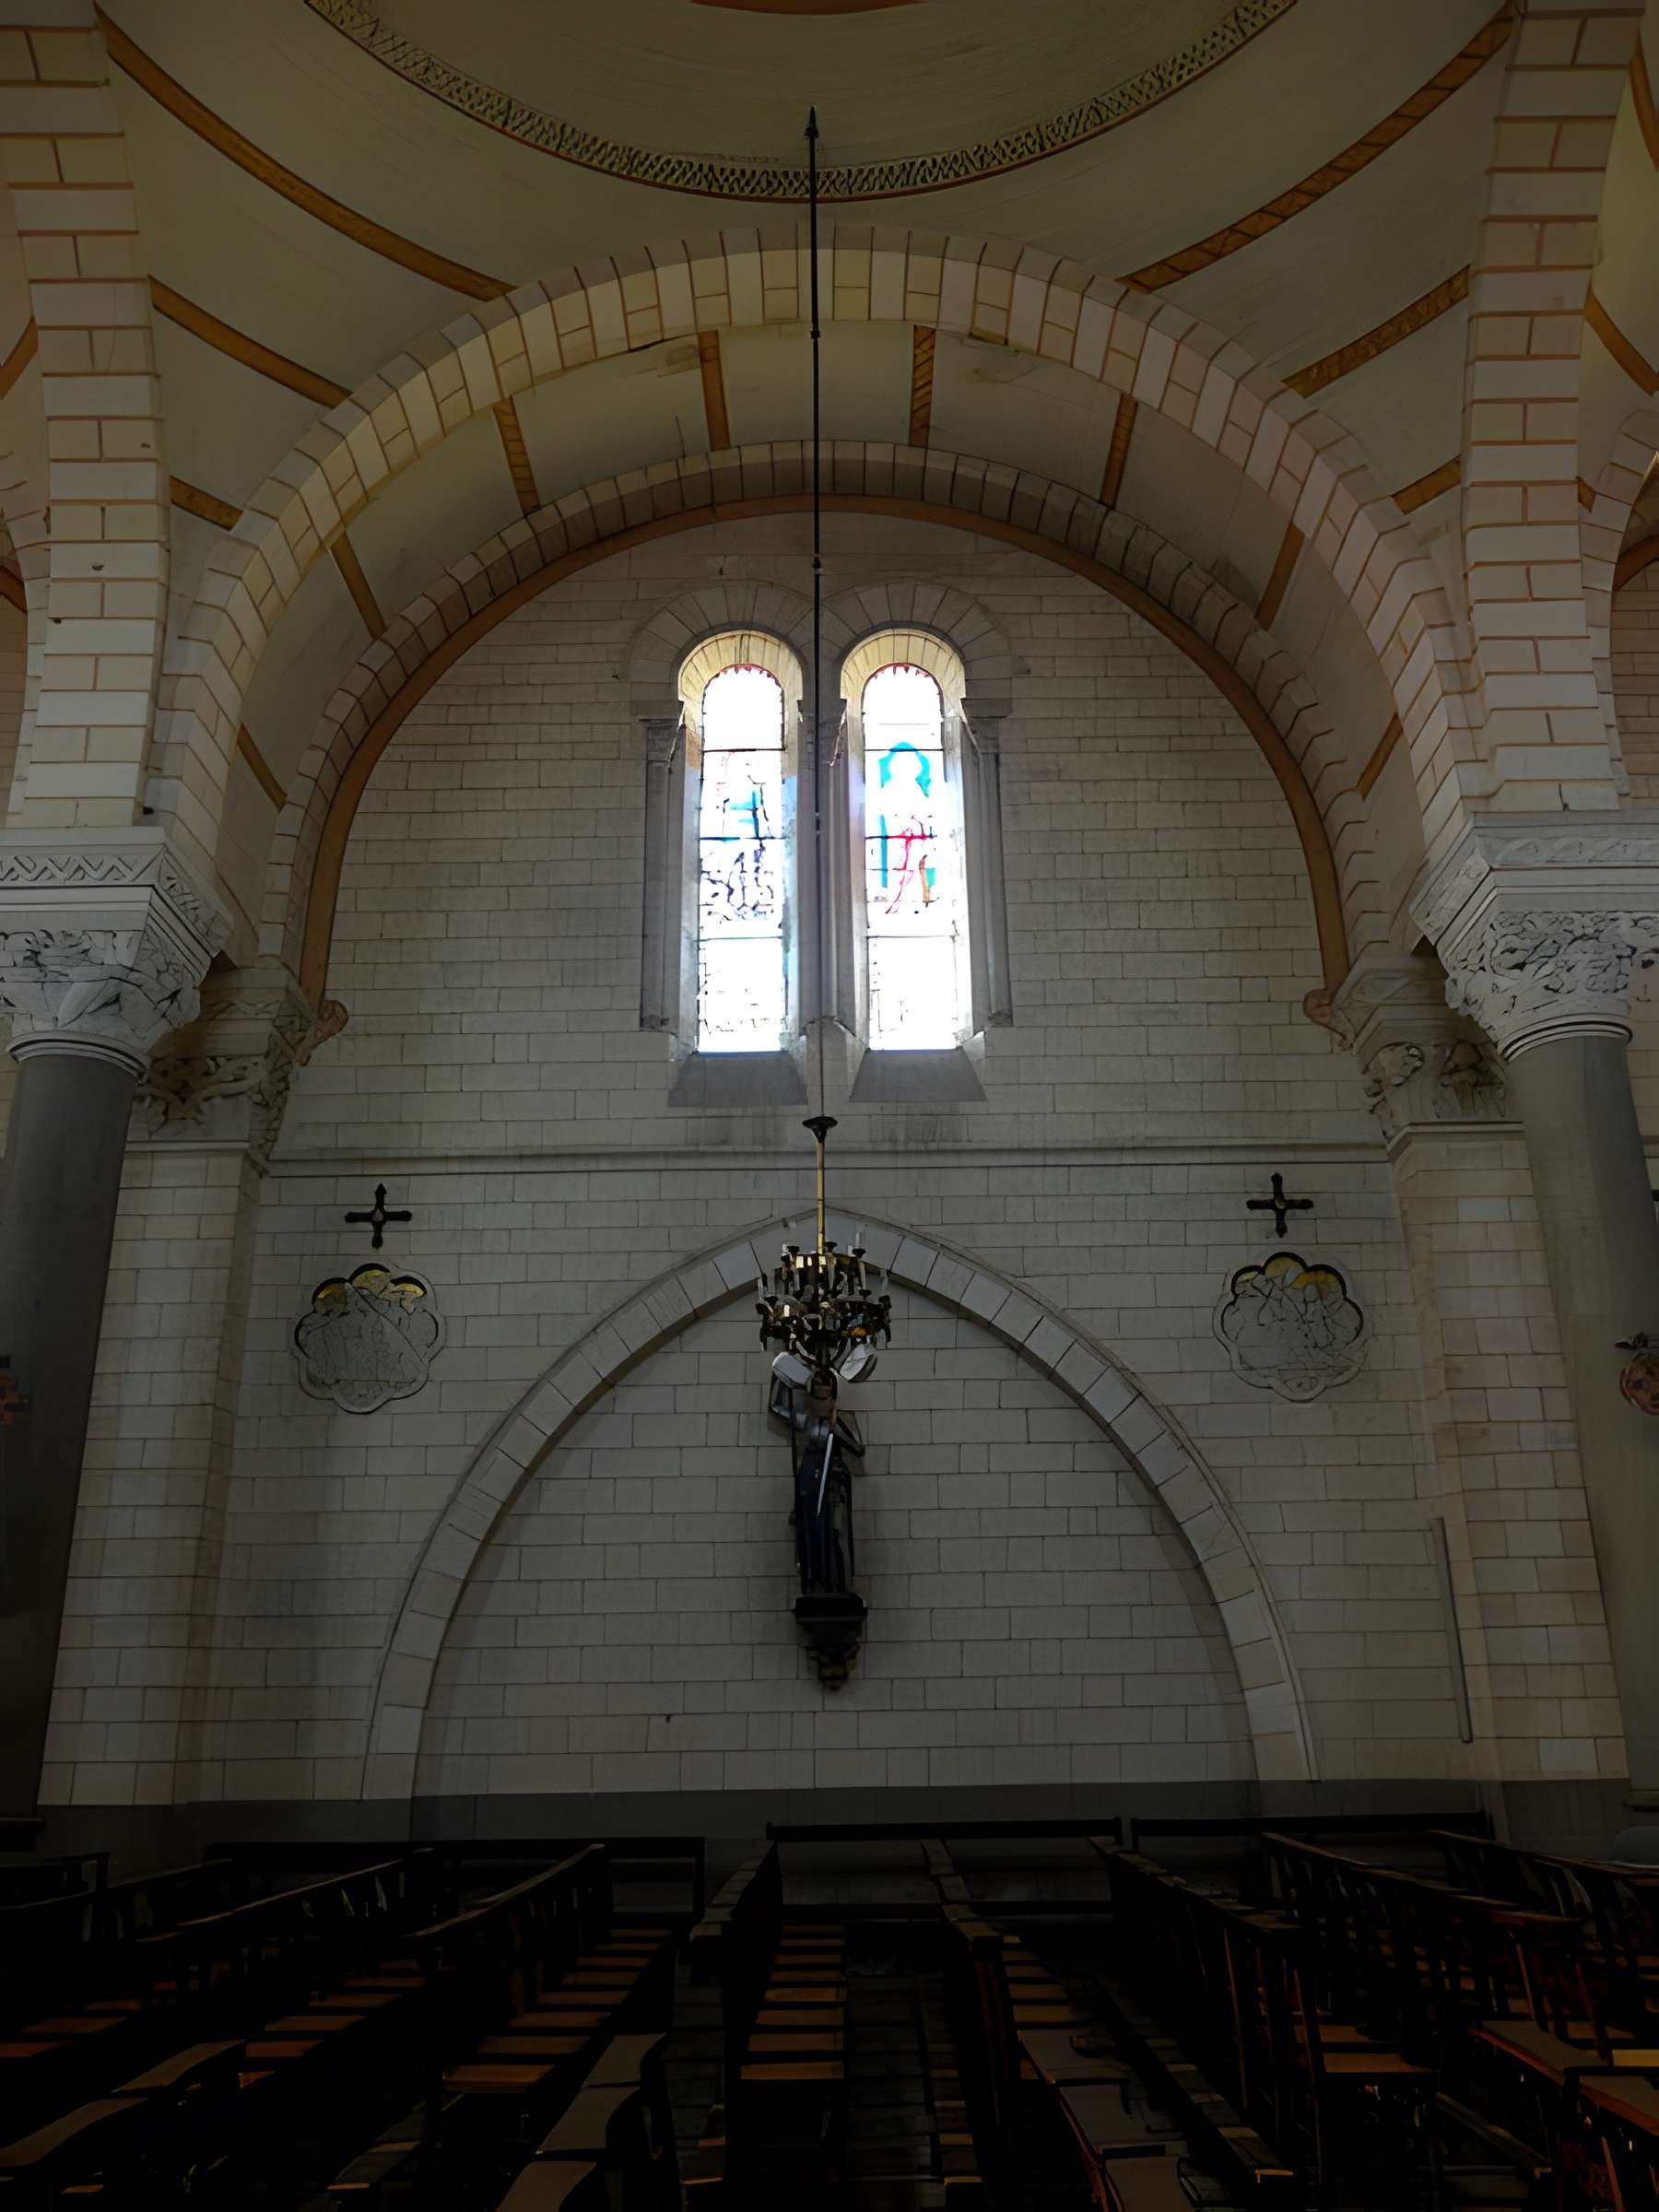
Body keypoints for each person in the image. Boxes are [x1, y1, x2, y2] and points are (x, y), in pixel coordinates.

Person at [770, 1363, 864, 1595]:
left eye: (826, 1398)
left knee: (834, 1533)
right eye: (817, 1398)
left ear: (833, 1398)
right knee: (810, 1531)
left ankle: (838, 1583)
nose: (821, 1405)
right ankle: (813, 1580)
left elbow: (857, 1447)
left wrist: (836, 1427)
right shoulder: (806, 1420)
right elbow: (777, 1406)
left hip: (832, 1484)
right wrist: (780, 1374)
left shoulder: (844, 1420)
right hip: (810, 1482)